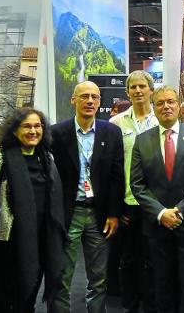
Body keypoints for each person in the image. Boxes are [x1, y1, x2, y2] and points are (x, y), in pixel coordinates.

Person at [130, 86, 184, 313]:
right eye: (160, 103)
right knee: (161, 282)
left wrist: (180, 211)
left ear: (178, 106)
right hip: (157, 226)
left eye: (170, 102)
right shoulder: (142, 140)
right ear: (154, 108)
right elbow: (137, 185)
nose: (166, 106)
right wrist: (160, 213)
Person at [0, 107, 66, 312]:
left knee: (29, 293)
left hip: (41, 239)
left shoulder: (47, 159)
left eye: (37, 126)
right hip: (7, 243)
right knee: (2, 295)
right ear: (14, 130)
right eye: (26, 126)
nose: (33, 131)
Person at [50, 81, 124, 313]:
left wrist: (114, 213)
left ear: (100, 102)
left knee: (98, 278)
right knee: (62, 274)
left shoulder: (111, 132)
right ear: (74, 100)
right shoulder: (56, 132)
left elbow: (116, 175)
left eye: (94, 97)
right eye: (84, 96)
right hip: (68, 213)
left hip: (98, 214)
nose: (90, 101)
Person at [109, 71, 158, 313]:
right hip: (128, 201)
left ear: (151, 90)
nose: (138, 91)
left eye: (142, 86)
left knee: (152, 258)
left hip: (156, 202)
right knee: (127, 259)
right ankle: (129, 306)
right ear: (127, 92)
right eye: (133, 87)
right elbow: (111, 167)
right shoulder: (116, 124)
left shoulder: (162, 121)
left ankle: (149, 305)